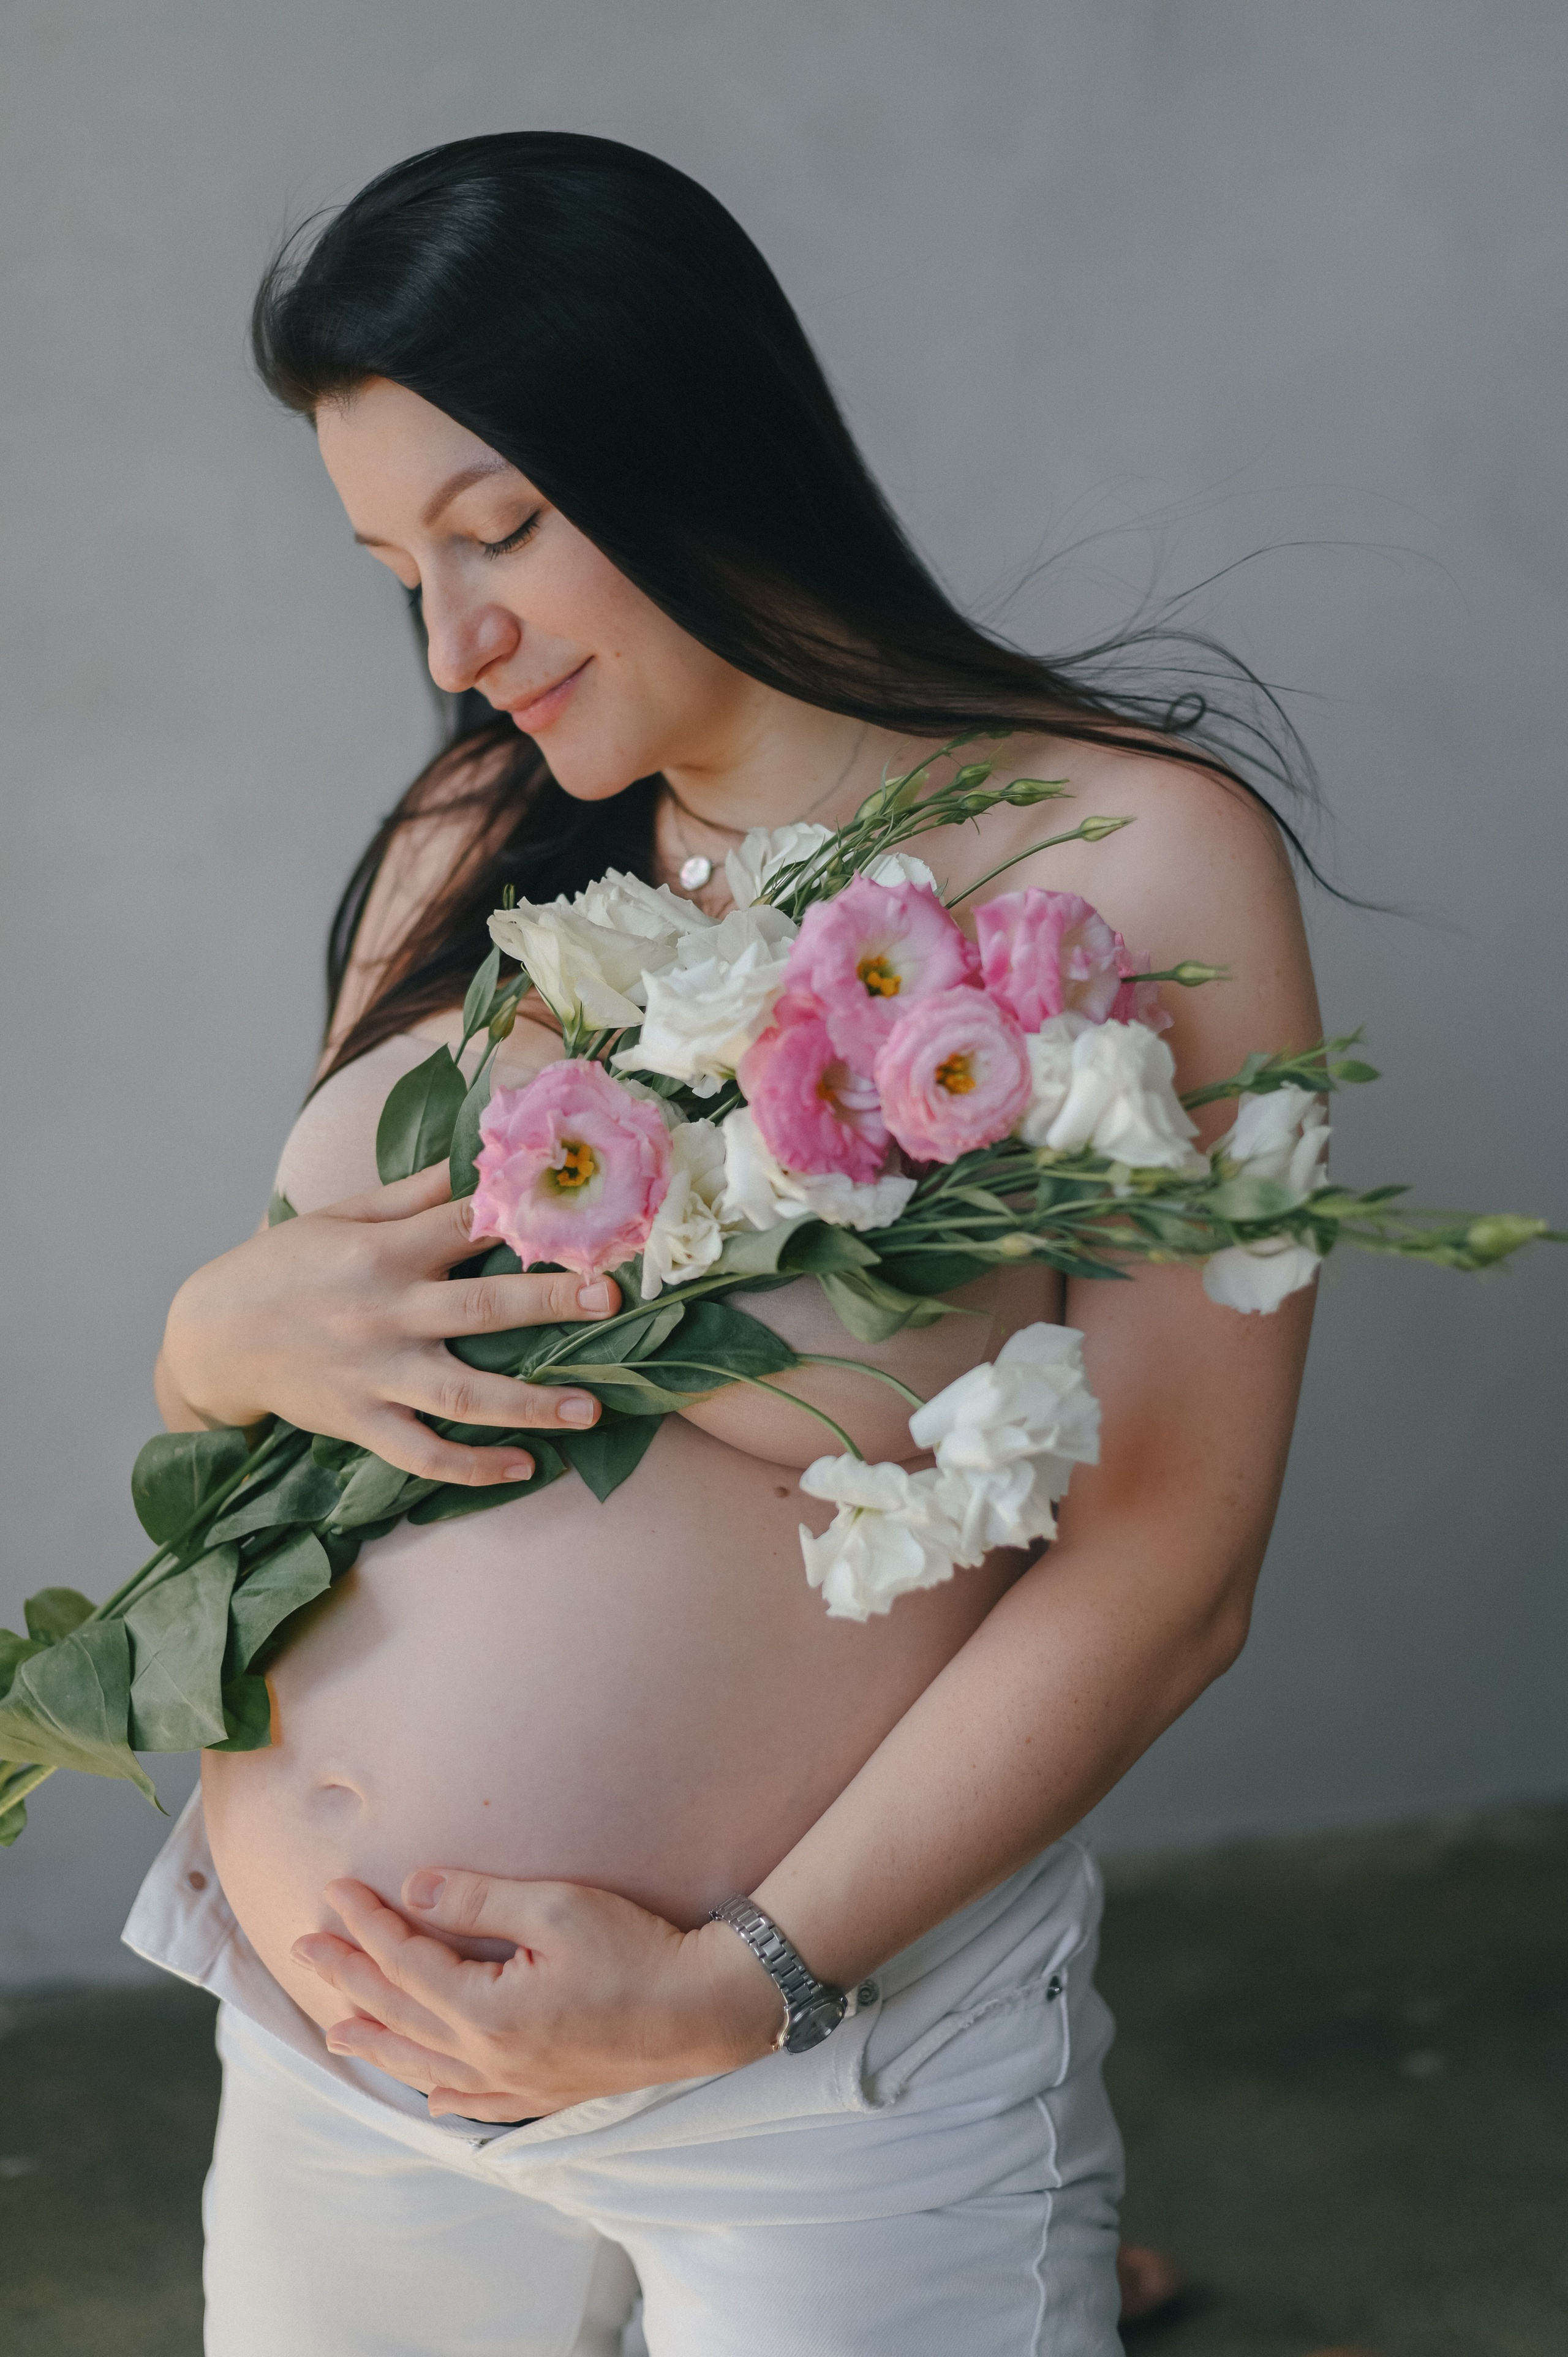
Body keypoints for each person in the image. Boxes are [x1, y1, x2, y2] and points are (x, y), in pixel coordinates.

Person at [124, 133, 1320, 2356]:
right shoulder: (472, 833)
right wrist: (209, 1341)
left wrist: (731, 1982)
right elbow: (327, 1366)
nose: (454, 645)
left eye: (498, 530)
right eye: (396, 569)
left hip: (807, 2076)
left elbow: (1169, 1566)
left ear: (689, 439)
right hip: (334, 2061)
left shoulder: (1131, 862)